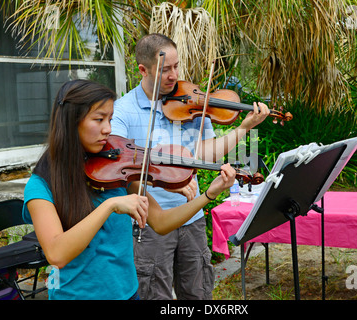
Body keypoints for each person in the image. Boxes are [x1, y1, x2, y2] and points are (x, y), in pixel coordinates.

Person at [22, 79, 236, 300]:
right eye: (99, 119)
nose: (108, 129)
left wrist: (209, 194)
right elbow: (57, 254)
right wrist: (110, 205)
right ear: (71, 122)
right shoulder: (41, 185)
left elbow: (161, 222)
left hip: (128, 294)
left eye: (110, 119)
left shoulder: (115, 172)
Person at [111, 33, 269, 299]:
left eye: (176, 66)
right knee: (154, 295)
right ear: (143, 69)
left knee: (198, 294)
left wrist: (244, 128)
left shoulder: (192, 101)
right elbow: (121, 165)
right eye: (165, 69)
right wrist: (171, 180)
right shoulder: (123, 111)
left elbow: (206, 155)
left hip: (192, 218)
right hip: (149, 223)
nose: (174, 76)